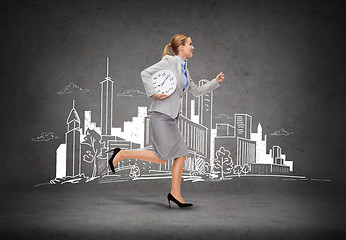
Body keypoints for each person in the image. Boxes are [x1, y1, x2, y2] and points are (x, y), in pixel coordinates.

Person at [107, 33, 225, 208]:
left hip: (170, 118)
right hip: (160, 115)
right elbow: (145, 73)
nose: (193, 47)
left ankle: (175, 194)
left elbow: (197, 91)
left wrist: (215, 81)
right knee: (162, 158)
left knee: (181, 154)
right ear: (181, 47)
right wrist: (154, 93)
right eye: (191, 44)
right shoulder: (171, 61)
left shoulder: (185, 68)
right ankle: (122, 154)